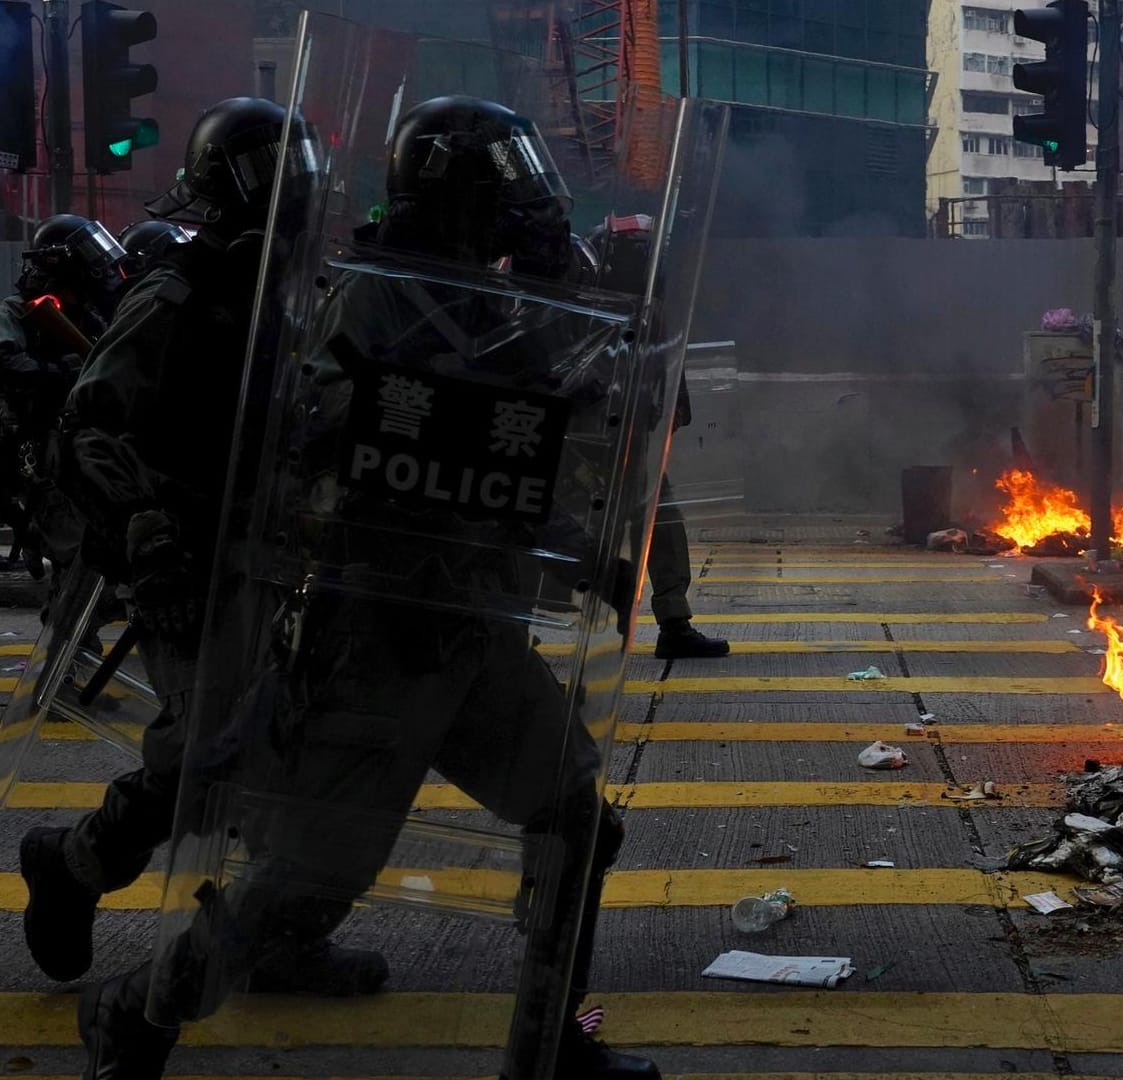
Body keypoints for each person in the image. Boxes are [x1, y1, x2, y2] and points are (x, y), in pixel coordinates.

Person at [72, 94, 660, 1080]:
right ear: (452, 191)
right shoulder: (371, 297)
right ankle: (138, 1013)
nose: (521, 198)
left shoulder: (491, 300)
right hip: (373, 637)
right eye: (500, 178)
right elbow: (333, 445)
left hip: (469, 624)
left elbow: (521, 447)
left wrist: (577, 536)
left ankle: (546, 1049)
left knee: (574, 817)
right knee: (300, 885)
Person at [22, 100, 390, 1078]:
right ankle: (73, 863)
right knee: (204, 756)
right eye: (278, 165)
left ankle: (283, 938)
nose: (301, 181)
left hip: (279, 558)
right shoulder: (180, 293)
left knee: (297, 758)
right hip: (189, 562)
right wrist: (148, 538)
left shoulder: (298, 291)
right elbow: (91, 425)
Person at [588, 214, 727, 661]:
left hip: (630, 433)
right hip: (588, 433)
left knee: (661, 520)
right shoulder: (590, 297)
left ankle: (673, 619)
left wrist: (674, 401)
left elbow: (666, 353)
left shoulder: (649, 301)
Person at [0, 215, 125, 575]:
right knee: (73, 550)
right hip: (33, 438)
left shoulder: (85, 313)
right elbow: (6, 362)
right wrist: (61, 372)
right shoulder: (15, 311)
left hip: (79, 435)